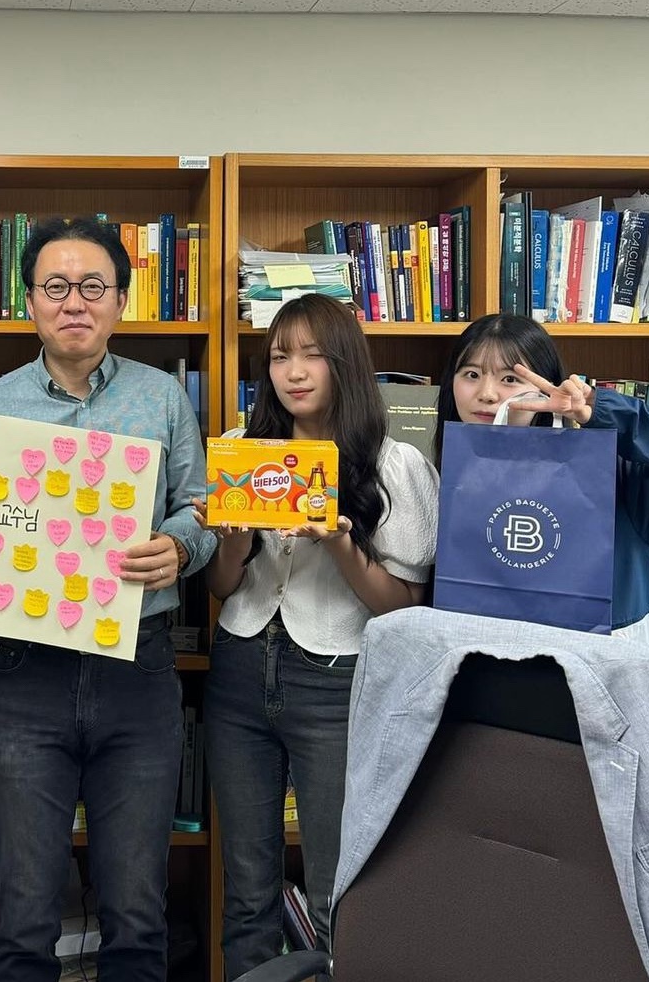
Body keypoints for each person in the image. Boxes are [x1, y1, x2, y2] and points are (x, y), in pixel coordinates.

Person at [0, 216, 215, 982]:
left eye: (94, 285)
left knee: (137, 913)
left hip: (138, 670)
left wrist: (180, 546)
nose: (75, 301)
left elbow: (201, 507)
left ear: (121, 300)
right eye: (56, 285)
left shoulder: (162, 397)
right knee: (23, 916)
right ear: (29, 301)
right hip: (24, 674)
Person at [201, 293, 438, 981]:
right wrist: (233, 540)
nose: (294, 372)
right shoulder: (244, 451)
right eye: (280, 357)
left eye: (312, 355)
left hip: (337, 680)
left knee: (338, 884)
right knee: (247, 885)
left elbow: (403, 606)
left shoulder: (393, 464)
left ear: (346, 363)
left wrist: (339, 541)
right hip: (241, 666)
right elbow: (223, 588)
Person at [433, 312, 649, 644]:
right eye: (471, 374)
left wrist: (599, 408)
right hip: (488, 660)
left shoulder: (617, 475)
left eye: (509, 379)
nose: (487, 393)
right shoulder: (444, 476)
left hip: (597, 663)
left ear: (546, 388)